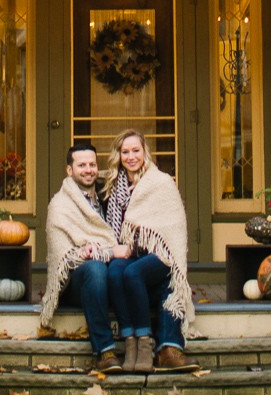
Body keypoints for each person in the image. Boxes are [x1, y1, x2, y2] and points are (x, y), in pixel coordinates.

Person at [102, 128, 198, 373]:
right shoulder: (115, 186)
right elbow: (112, 227)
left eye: (136, 150)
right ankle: (130, 340)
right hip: (130, 252)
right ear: (118, 155)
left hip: (161, 253)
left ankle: (145, 342)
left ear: (145, 152)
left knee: (134, 274)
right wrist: (116, 247)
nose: (131, 156)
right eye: (125, 152)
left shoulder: (160, 182)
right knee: (114, 272)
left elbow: (174, 223)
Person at [40, 141, 124, 373]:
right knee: (94, 268)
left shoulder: (108, 198)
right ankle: (105, 351)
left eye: (92, 164)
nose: (88, 169)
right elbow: (66, 257)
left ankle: (143, 342)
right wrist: (104, 252)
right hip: (76, 282)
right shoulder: (60, 205)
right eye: (82, 165)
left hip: (111, 274)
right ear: (70, 170)